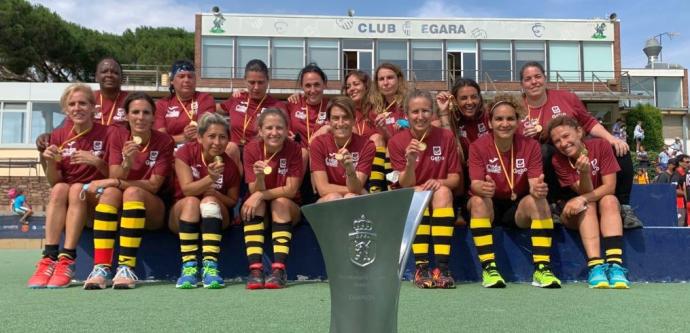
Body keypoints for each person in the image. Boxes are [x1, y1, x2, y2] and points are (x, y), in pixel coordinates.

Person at [519, 61, 641, 228]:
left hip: (577, 151)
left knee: (619, 148)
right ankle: (553, 203)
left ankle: (624, 206)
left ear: (545, 79)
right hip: (551, 165)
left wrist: (612, 138)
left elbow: (588, 122)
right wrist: (527, 139)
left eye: (538, 77)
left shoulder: (566, 98)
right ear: (522, 85)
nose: (534, 82)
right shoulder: (517, 109)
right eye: (528, 79)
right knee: (545, 151)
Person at [467, 93, 560, 289]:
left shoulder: (531, 145)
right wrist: (483, 187)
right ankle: (489, 269)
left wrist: (539, 188)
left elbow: (535, 182)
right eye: (499, 119)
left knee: (540, 202)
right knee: (477, 200)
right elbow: (474, 183)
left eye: (510, 118)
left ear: (518, 121)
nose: (505, 123)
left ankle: (542, 269)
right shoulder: (478, 146)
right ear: (490, 123)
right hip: (489, 203)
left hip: (516, 207)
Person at [83, 92, 175, 290]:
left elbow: (153, 186)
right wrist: (127, 162)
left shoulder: (164, 141)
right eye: (135, 112)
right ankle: (101, 268)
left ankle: (126, 267)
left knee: (131, 192)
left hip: (154, 209)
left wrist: (114, 181)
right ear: (126, 115)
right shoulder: (118, 135)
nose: (140, 117)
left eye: (146, 112)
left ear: (153, 116)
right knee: (109, 193)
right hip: (123, 202)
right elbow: (117, 175)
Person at [27, 84, 110, 288]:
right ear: (65, 109)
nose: (77, 108)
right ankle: (49, 257)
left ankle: (68, 259)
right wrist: (48, 161)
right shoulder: (58, 135)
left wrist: (97, 162)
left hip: (97, 199)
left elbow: (117, 176)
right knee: (59, 189)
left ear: (93, 108)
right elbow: (55, 180)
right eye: (72, 104)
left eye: (83, 103)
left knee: (75, 189)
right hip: (72, 201)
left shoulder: (108, 133)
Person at [388, 90, 461, 289]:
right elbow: (404, 184)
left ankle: (442, 268)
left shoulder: (445, 137)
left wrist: (439, 182)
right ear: (406, 114)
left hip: (438, 197)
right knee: (417, 192)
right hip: (412, 198)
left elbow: (455, 178)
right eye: (415, 112)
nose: (420, 117)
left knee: (444, 191)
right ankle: (422, 267)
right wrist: (410, 162)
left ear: (433, 113)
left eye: (426, 111)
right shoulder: (396, 142)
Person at [548, 116, 631, 288]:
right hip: (573, 213)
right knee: (588, 205)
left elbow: (609, 187)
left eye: (565, 136)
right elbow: (583, 192)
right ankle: (595, 266)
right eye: (557, 141)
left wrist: (582, 198)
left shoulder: (601, 146)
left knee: (609, 199)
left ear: (579, 132)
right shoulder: (558, 160)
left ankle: (615, 265)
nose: (563, 143)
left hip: (603, 206)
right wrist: (585, 174)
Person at [169, 113, 240, 289]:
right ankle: (189, 267)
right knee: (192, 201)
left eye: (222, 137)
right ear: (200, 138)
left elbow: (232, 201)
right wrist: (210, 179)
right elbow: (186, 189)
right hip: (182, 212)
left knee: (208, 200)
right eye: (211, 136)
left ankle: (210, 267)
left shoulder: (229, 165)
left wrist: (214, 194)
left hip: (216, 216)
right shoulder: (185, 152)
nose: (217, 142)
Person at [241, 109, 303, 289]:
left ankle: (278, 270)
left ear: (286, 130)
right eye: (269, 128)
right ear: (260, 131)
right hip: (262, 210)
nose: (274, 132)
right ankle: (255, 270)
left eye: (279, 128)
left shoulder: (294, 148)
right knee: (255, 204)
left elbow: (291, 190)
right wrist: (259, 180)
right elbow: (254, 189)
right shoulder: (251, 149)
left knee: (279, 202)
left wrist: (260, 194)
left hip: (287, 208)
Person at [35, 57, 128, 167]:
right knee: (46, 152)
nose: (109, 75)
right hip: (92, 152)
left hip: (121, 154)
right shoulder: (85, 98)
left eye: (115, 72)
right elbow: (69, 129)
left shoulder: (133, 101)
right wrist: (48, 136)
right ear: (96, 77)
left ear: (122, 77)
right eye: (104, 71)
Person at [219, 59, 288, 173]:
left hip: (260, 153)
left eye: (260, 82)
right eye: (252, 82)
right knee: (230, 147)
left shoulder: (277, 106)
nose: (256, 87)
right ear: (245, 81)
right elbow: (213, 109)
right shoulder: (237, 98)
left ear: (267, 82)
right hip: (235, 151)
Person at [310, 96, 375, 202]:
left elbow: (354, 189)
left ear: (354, 120)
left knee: (351, 197)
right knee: (334, 197)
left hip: (353, 200)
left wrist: (349, 168)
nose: (340, 123)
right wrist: (360, 191)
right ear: (328, 121)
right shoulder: (318, 143)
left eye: (346, 118)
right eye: (335, 118)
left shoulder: (367, 146)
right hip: (326, 200)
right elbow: (322, 189)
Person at [343, 70, 387, 193]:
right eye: (348, 86)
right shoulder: (344, 111)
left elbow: (387, 139)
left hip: (372, 162)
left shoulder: (377, 109)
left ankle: (375, 187)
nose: (351, 89)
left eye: (356, 84)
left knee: (376, 137)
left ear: (366, 86)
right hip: (352, 159)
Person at [155, 60, 216, 146]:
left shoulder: (205, 99)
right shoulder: (162, 104)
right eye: (181, 76)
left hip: (198, 148)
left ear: (195, 80)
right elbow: (160, 138)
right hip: (169, 149)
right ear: (172, 81)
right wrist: (184, 137)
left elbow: (205, 131)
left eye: (190, 77)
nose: (186, 80)